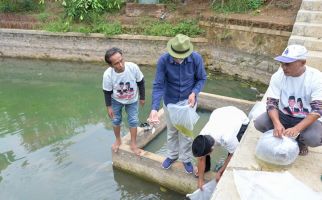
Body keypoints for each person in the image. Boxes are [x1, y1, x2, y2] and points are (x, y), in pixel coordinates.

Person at [148, 34, 207, 174]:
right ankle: (172, 155)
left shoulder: (196, 58)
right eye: (175, 56)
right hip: (170, 102)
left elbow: (201, 78)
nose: (178, 59)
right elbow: (158, 85)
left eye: (181, 57)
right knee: (172, 130)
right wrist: (154, 109)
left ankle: (185, 158)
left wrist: (194, 92)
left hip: (188, 103)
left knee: (186, 133)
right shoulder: (163, 60)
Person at [254, 44, 322, 156]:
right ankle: (281, 134)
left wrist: (297, 128)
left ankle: (300, 141)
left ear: (302, 62)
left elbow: (317, 110)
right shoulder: (278, 76)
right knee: (260, 123)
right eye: (282, 63)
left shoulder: (317, 78)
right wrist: (277, 123)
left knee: (313, 138)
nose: (283, 67)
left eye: (288, 64)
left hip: (305, 117)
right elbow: (272, 103)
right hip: (283, 114)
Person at [192, 106, 249, 190]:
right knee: (203, 153)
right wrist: (200, 180)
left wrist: (221, 171)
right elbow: (201, 158)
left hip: (240, 118)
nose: (202, 157)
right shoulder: (202, 136)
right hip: (219, 113)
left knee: (235, 150)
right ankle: (206, 169)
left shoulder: (227, 138)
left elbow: (232, 154)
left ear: (211, 150)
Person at [102, 47, 145, 156]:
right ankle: (118, 140)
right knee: (116, 120)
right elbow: (107, 92)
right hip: (116, 100)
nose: (120, 65)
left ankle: (134, 144)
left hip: (132, 99)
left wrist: (142, 97)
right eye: (116, 63)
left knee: (133, 120)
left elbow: (141, 82)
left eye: (121, 60)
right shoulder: (108, 75)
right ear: (111, 65)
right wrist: (109, 107)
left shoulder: (133, 67)